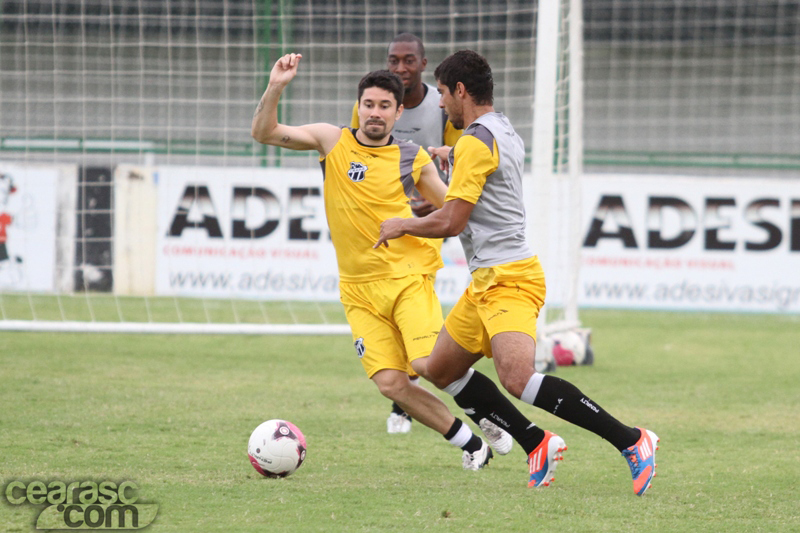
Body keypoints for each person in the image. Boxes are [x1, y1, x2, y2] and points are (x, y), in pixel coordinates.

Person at [375, 50, 660, 495]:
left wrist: (403, 223)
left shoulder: (474, 142)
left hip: (510, 277)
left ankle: (632, 440)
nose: (439, 103)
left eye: (444, 93)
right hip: (485, 281)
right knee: (439, 368)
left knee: (517, 378)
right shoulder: (499, 129)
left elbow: (452, 222)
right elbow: (477, 188)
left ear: (461, 92)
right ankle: (536, 442)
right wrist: (452, 158)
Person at [252, 53, 504, 470]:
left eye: (385, 106)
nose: (375, 112)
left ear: (398, 111)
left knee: (426, 365)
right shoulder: (332, 141)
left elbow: (456, 212)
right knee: (390, 383)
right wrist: (277, 85)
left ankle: (490, 413)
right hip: (357, 288)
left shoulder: (413, 156)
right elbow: (264, 132)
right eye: (368, 104)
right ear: (358, 107)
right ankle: (472, 444)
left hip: (406, 278)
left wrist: (455, 173)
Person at [350, 32, 463, 435]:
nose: (400, 67)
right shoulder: (370, 107)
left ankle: (411, 395)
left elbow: (459, 155)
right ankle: (404, 395)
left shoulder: (440, 106)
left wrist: (435, 200)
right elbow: (359, 157)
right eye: (393, 60)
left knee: (413, 298)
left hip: (431, 211)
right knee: (398, 304)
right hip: (388, 221)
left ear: (423, 63)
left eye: (408, 61)